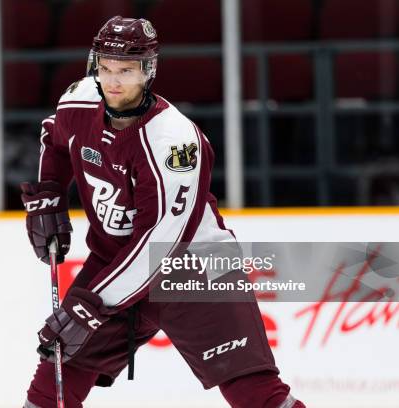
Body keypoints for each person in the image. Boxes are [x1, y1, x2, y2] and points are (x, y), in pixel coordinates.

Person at [20, 16, 305, 408]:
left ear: (149, 70)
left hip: (192, 269)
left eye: (126, 70)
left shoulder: (174, 142)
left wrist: (91, 305)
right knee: (54, 382)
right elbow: (54, 136)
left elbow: (162, 241)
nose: (114, 80)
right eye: (105, 67)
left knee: (254, 393)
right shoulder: (80, 99)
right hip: (116, 262)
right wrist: (48, 195)